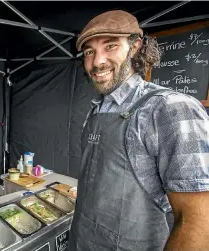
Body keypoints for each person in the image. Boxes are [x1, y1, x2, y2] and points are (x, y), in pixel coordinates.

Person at [69, 10, 209, 250]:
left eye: (110, 46)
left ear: (135, 47)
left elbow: (199, 222)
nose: (97, 61)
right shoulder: (95, 111)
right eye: (89, 52)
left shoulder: (169, 108)